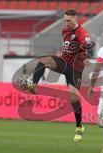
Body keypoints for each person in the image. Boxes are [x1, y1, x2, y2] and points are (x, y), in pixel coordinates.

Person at [27, 9, 93, 143]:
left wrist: (87, 56)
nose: (67, 23)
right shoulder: (64, 31)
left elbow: (90, 47)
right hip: (64, 62)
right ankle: (34, 84)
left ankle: (79, 126)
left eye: (69, 20)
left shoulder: (82, 33)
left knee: (73, 97)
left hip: (76, 68)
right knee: (43, 61)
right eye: (65, 20)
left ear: (75, 18)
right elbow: (67, 47)